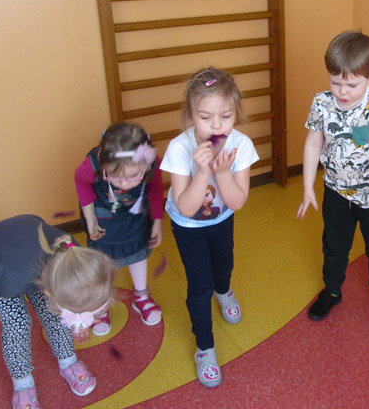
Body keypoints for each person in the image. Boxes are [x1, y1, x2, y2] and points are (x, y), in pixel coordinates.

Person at [297, 30, 369, 331]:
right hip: (336, 193)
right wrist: (308, 187)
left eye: (351, 85)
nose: (342, 92)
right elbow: (313, 144)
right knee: (334, 248)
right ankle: (332, 291)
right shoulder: (322, 103)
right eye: (335, 82)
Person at [160, 67, 259, 388]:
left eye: (225, 116)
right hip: (187, 226)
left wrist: (224, 173)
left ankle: (224, 291)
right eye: (206, 117)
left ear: (235, 114)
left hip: (222, 219)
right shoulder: (179, 148)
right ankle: (205, 347)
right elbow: (186, 207)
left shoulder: (240, 145)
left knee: (224, 264)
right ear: (191, 116)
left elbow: (237, 201)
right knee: (200, 286)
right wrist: (202, 172)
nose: (217, 126)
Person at [0, 214, 117, 409]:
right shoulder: (7, 281)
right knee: (17, 324)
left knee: (54, 315)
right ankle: (23, 385)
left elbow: (77, 303)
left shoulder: (76, 256)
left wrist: (77, 321)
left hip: (27, 241)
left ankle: (68, 361)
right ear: (48, 292)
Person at [74, 122, 164, 335]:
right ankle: (101, 304)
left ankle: (141, 296)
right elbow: (80, 180)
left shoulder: (152, 163)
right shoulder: (92, 165)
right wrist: (90, 218)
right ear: (104, 165)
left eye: (133, 177)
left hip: (135, 216)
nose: (124, 184)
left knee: (137, 252)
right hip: (103, 218)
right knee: (103, 262)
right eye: (115, 177)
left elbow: (156, 187)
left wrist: (158, 221)